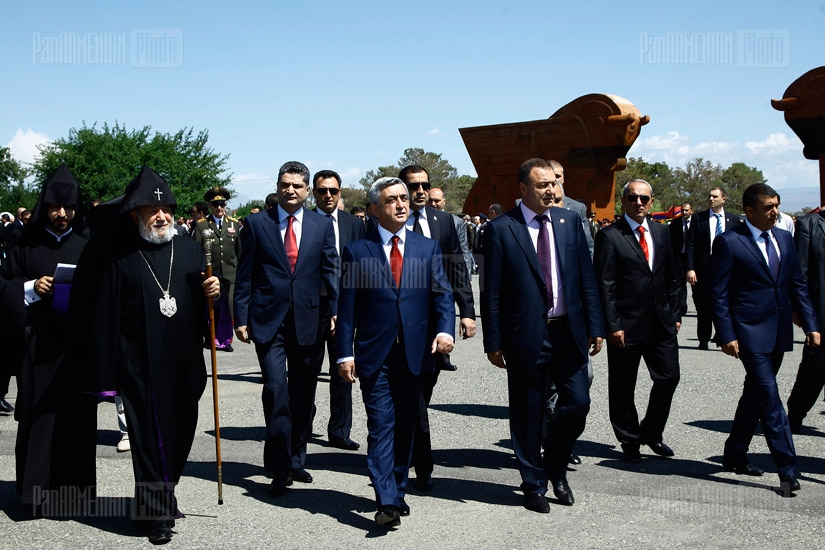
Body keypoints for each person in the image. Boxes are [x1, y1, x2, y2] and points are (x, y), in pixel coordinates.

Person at [68, 166, 220, 543]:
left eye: (166, 208)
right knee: (150, 437)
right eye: (152, 211)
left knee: (181, 430)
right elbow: (100, 308)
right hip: (138, 361)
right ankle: (156, 514)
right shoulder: (120, 253)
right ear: (135, 214)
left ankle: (159, 496)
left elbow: (206, 305)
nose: (161, 216)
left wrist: (213, 293)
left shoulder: (186, 247)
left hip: (185, 360)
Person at [481, 158, 604, 513]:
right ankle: (533, 483)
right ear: (523, 190)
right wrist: (494, 341)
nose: (551, 190)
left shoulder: (569, 223)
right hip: (526, 336)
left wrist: (595, 326)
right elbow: (491, 291)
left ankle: (556, 466)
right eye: (542, 185)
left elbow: (586, 279)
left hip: (569, 331)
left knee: (578, 402)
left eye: (553, 183)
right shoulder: (501, 228)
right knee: (528, 413)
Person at [336, 176, 455, 527]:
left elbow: (441, 296)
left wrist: (445, 329)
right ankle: (386, 500)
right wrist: (345, 353)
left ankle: (398, 489)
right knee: (380, 425)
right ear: (374, 209)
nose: (402, 204)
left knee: (406, 426)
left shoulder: (425, 248)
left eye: (404, 198)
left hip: (417, 354)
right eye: (392, 200)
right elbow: (347, 309)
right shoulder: (358, 251)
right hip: (376, 355)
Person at [233, 161, 338, 497]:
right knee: (276, 391)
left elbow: (331, 271)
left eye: (297, 185)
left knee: (303, 397)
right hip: (269, 322)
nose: (290, 190)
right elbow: (245, 274)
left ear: (307, 191)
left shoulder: (322, 226)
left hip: (309, 321)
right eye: (284, 184)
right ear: (277, 187)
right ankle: (279, 466)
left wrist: (338, 312)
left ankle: (296, 458)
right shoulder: (256, 224)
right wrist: (241, 315)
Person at [710, 183, 819, 496]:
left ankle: (734, 453)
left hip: (779, 329)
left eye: (777, 205)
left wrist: (810, 324)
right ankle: (788, 470)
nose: (775, 212)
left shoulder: (785, 238)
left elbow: (797, 285)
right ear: (749, 211)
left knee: (755, 394)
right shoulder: (730, 242)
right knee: (771, 399)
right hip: (748, 332)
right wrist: (726, 334)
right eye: (769, 207)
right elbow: (718, 294)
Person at [2, 164, 97, 512]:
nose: (62, 214)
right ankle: (34, 494)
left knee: (76, 421)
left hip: (76, 348)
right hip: (36, 346)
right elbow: (3, 287)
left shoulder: (88, 247)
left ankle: (73, 496)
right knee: (37, 419)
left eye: (69, 208)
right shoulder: (24, 246)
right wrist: (30, 287)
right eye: (56, 208)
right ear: (45, 208)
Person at [398, 164, 476, 492]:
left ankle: (407, 444)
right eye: (413, 185)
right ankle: (422, 463)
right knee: (414, 395)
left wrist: (467, 312)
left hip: (437, 321)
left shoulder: (443, 222)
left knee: (421, 393)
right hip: (402, 322)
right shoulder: (388, 221)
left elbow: (458, 268)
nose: (419, 191)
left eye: (424, 185)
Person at [594, 179, 682, 463]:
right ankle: (629, 439)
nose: (639, 203)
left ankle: (652, 433)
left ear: (652, 201)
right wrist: (612, 324)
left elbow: (673, 277)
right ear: (624, 202)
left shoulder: (662, 232)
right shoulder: (609, 235)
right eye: (632, 198)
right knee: (623, 387)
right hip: (626, 326)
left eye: (644, 198)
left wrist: (676, 312)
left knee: (669, 377)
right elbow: (604, 284)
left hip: (661, 323)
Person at [311, 169, 364, 451]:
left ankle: (340, 430)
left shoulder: (353, 224)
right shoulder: (305, 222)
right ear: (313, 193)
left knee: (343, 367)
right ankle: (303, 425)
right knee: (307, 369)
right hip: (311, 307)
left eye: (333, 191)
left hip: (346, 305)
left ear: (340, 192)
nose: (328, 196)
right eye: (322, 191)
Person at [785, 209, 825, 433]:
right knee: (815, 367)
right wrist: (798, 308)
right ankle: (796, 413)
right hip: (820, 311)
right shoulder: (809, 224)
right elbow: (799, 273)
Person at [686, 187, 740, 349]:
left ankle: (722, 336)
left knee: (725, 304)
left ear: (723, 199)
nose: (711, 199)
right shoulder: (698, 219)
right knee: (703, 306)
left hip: (726, 270)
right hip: (703, 270)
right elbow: (690, 245)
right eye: (709, 196)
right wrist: (690, 268)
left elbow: (738, 246)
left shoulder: (733, 220)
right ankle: (703, 339)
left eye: (715, 196)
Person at [193, 187, 241, 352]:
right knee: (211, 306)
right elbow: (196, 250)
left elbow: (238, 251)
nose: (219, 208)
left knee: (228, 307)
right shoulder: (202, 225)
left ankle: (225, 339)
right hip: (211, 273)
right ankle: (210, 336)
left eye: (222, 204)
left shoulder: (233, 224)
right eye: (215, 205)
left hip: (230, 273)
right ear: (210, 206)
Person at [428, 186, 474, 284]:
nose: (433, 204)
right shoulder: (420, 220)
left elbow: (463, 249)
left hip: (448, 274)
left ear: (444, 201)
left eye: (437, 201)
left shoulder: (456, 222)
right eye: (430, 200)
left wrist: (467, 276)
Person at [548, 160, 594, 257]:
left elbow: (587, 246)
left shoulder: (577, 208)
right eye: (550, 176)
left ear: (563, 177)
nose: (554, 180)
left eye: (557, 176)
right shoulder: (526, 204)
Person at [668, 202, 693, 316]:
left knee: (694, 283)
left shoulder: (695, 223)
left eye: (687, 210)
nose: (684, 212)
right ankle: (682, 306)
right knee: (680, 283)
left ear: (691, 211)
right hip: (679, 257)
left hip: (692, 257)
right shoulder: (675, 223)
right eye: (683, 210)